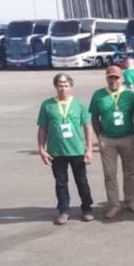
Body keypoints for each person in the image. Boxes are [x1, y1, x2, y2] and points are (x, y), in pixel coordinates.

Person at [37, 73, 94, 225]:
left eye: (66, 85)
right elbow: (42, 128)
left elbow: (88, 127)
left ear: (71, 87)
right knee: (61, 182)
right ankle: (63, 210)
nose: (63, 88)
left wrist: (89, 149)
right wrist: (41, 149)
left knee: (81, 181)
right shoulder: (47, 105)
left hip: (76, 150)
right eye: (60, 85)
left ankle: (87, 208)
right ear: (55, 86)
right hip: (56, 151)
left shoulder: (79, 105)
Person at [89, 65, 134, 220]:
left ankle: (130, 200)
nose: (113, 80)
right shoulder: (98, 95)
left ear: (122, 79)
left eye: (116, 78)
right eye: (110, 77)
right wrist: (100, 136)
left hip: (127, 138)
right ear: (106, 78)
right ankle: (114, 204)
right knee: (110, 174)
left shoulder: (129, 95)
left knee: (129, 172)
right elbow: (94, 117)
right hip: (107, 139)